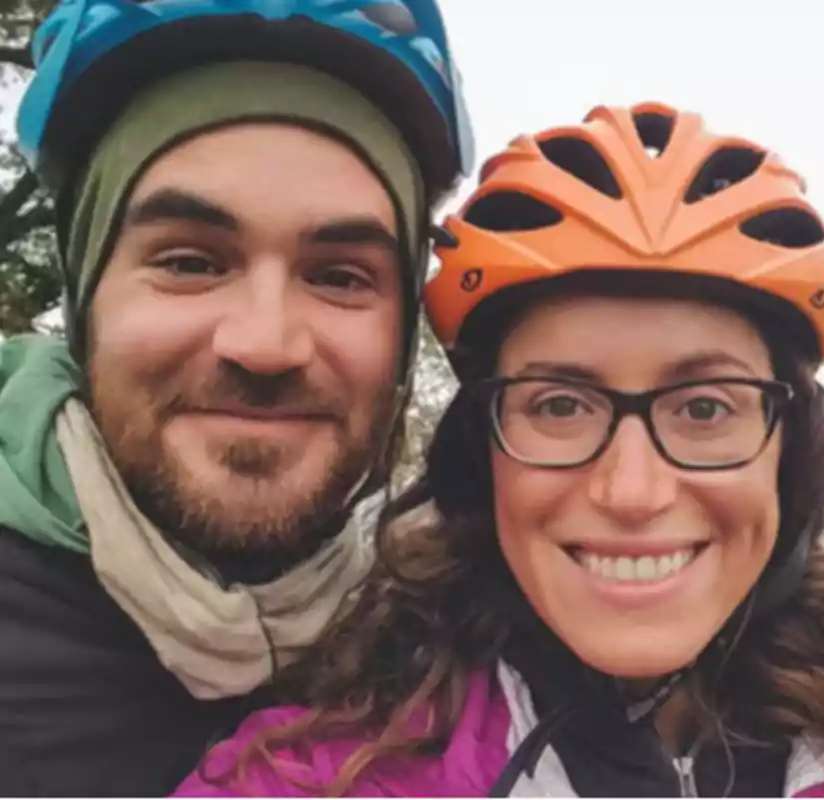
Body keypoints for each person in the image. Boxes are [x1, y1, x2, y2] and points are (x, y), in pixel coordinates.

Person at [175, 102, 824, 797]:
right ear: (477, 462)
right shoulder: (307, 777)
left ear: (792, 456)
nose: (631, 490)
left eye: (705, 405)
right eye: (560, 405)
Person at [0, 0, 473, 794]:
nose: (264, 344)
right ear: (86, 305)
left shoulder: (454, 643)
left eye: (339, 275)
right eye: (189, 262)